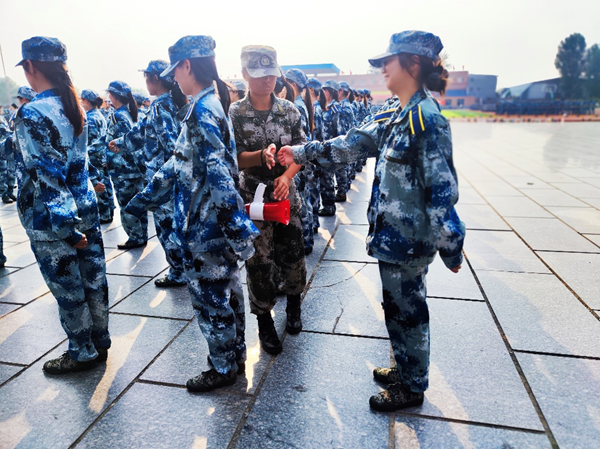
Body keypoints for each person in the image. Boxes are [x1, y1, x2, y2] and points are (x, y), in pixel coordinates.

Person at [278, 30, 465, 411]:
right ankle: (405, 368)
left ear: (412, 63)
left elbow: (442, 190)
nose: (381, 69)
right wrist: (299, 151)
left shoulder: (426, 119)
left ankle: (412, 387)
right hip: (392, 238)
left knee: (409, 312)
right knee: (396, 307)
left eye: (387, 61)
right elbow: (350, 144)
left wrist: (452, 246)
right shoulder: (398, 111)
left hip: (410, 241)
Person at [123, 35, 259, 391]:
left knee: (212, 299)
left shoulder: (202, 109)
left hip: (206, 227)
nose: (174, 80)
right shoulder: (207, 105)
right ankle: (234, 356)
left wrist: (235, 228)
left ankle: (223, 367)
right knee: (227, 293)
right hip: (207, 223)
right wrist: (145, 198)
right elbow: (180, 163)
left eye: (176, 71)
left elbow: (218, 174)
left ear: (187, 66)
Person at [13, 36, 110, 374]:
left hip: (53, 219)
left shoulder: (32, 112)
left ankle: (81, 351)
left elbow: (46, 175)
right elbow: (76, 164)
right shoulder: (74, 105)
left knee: (69, 288)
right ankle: (100, 340)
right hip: (85, 206)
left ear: (31, 66)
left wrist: (66, 228)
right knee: (93, 280)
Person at [229, 45, 307, 355]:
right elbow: (232, 158)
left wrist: (287, 177)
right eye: (260, 75)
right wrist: (259, 156)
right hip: (254, 198)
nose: (267, 81)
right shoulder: (235, 113)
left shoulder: (289, 110)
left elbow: (303, 150)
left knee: (292, 252)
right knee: (258, 261)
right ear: (246, 75)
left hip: (285, 194)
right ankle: (263, 321)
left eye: (272, 74)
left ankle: (294, 306)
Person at [110, 59, 188, 287]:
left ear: (155, 79)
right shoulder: (165, 103)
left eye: (146, 77)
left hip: (165, 179)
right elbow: (142, 132)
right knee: (172, 224)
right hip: (169, 176)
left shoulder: (161, 106)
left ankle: (178, 273)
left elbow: (172, 144)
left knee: (166, 227)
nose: (145, 82)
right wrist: (121, 142)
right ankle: (183, 268)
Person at [105, 80, 148, 249]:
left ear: (113, 95)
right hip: (134, 169)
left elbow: (122, 143)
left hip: (123, 169)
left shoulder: (118, 116)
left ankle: (135, 237)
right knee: (137, 203)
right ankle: (141, 234)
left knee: (127, 204)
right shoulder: (131, 113)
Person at [285, 68, 316, 255]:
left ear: (293, 84)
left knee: (302, 202)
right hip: (302, 159)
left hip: (298, 159)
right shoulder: (301, 104)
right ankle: (307, 238)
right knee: (305, 199)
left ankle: (305, 241)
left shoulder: (296, 106)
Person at [80, 89, 114, 224]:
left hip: (94, 158)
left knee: (99, 186)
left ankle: (105, 213)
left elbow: (92, 141)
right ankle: (109, 210)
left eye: (82, 100)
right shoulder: (98, 115)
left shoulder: (91, 118)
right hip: (101, 157)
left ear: (87, 101)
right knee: (105, 184)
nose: (81, 103)